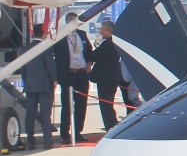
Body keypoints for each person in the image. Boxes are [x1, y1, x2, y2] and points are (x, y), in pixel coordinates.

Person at [52, 13, 93, 144]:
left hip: (81, 73)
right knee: (67, 105)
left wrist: (90, 62)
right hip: (68, 74)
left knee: (81, 105)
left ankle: (77, 132)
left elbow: (89, 51)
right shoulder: (60, 36)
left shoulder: (82, 34)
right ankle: (65, 134)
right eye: (73, 20)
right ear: (68, 21)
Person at [19, 24, 58, 149]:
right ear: (43, 34)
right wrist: (54, 80)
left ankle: (31, 141)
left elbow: (23, 69)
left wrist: (27, 81)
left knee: (30, 114)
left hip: (30, 85)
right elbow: (50, 66)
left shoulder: (25, 49)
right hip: (45, 85)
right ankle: (48, 142)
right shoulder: (46, 47)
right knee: (45, 115)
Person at [87, 20, 123, 131]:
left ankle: (111, 126)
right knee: (109, 103)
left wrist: (90, 56)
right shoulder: (115, 42)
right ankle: (112, 124)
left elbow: (95, 55)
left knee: (106, 105)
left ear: (108, 31)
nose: (101, 33)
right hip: (112, 78)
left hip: (105, 79)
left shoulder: (108, 43)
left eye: (102, 30)